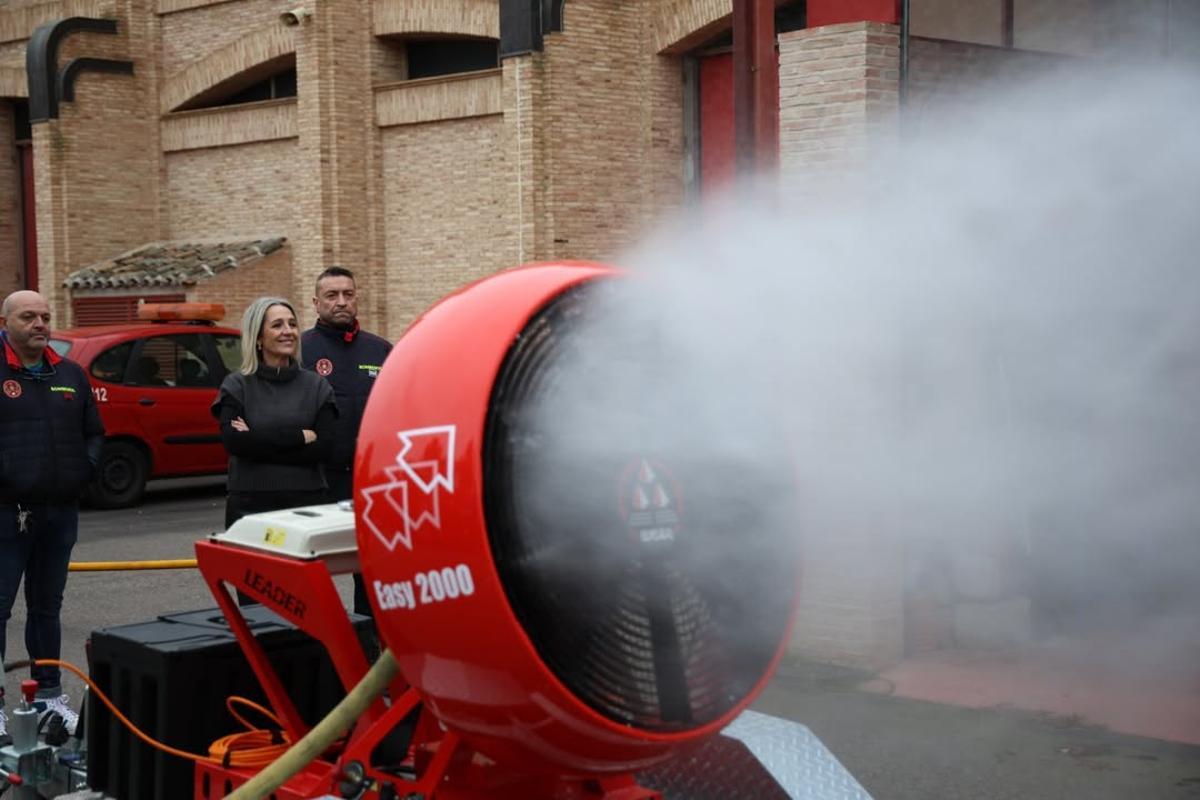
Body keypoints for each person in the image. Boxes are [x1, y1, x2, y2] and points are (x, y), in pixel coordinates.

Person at [0, 290, 105, 738]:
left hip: (59, 513)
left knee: (47, 608)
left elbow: (95, 434)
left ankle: (48, 694)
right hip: (6, 515)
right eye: (29, 316)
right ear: (6, 321)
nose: (40, 324)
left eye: (45, 316)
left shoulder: (71, 375)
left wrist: (84, 473)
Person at [212, 297, 337, 573]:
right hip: (250, 506)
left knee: (302, 597)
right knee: (254, 599)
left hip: (305, 507)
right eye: (277, 325)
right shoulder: (236, 386)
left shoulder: (317, 386)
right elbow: (235, 443)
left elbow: (325, 448)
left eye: (292, 324)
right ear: (258, 337)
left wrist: (257, 437)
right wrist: (300, 436)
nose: (288, 331)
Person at [301, 267, 391, 618]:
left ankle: (370, 645)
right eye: (332, 296)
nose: (341, 302)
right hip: (317, 478)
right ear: (316, 302)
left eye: (348, 294)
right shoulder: (302, 350)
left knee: (369, 569)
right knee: (308, 570)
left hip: (368, 481)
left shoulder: (380, 349)